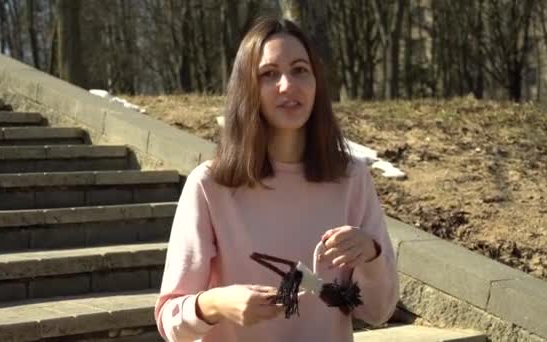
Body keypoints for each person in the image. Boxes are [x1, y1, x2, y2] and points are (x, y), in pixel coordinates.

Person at [154, 16, 398, 342]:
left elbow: (378, 311)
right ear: (247, 88)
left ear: (316, 83)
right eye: (269, 74)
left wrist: (371, 255)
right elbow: (170, 319)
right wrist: (215, 304)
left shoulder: (353, 179)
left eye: (300, 70)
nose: (287, 85)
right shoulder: (209, 186)